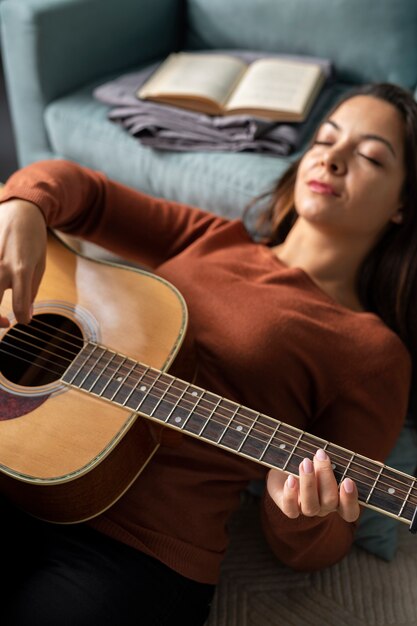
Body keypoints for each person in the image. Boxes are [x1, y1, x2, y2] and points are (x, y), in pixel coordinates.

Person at [0, 82, 416, 626]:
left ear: (403, 205)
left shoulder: (374, 352)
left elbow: (320, 546)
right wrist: (23, 206)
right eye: (325, 139)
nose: (333, 159)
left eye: (368, 156)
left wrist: (300, 513)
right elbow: (83, 191)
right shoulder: (216, 239)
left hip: (139, 553)